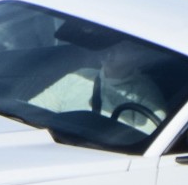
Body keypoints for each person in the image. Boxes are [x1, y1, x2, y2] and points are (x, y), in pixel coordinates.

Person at [28, 39, 166, 133]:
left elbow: (145, 144)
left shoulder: (147, 94)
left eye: (122, 47)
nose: (111, 50)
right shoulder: (79, 76)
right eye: (111, 44)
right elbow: (34, 112)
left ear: (138, 57)